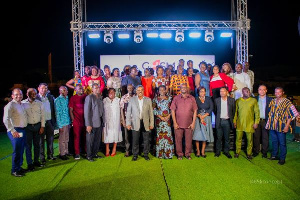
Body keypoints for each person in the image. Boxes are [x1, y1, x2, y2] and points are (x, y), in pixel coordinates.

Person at [266, 87, 299, 165]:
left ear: (282, 92)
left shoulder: (287, 102)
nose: (277, 93)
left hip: (281, 126)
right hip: (272, 125)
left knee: (282, 143)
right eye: (276, 92)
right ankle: (274, 155)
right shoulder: (273, 101)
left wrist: (287, 126)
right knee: (274, 141)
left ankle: (282, 159)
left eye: (279, 92)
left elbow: (292, 115)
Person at [3, 88, 28, 177]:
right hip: (15, 130)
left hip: (22, 130)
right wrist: (13, 131)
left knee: (21, 150)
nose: (19, 96)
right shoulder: (10, 105)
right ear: (12, 96)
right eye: (16, 94)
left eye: (20, 94)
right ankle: (14, 170)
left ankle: (19, 167)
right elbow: (5, 119)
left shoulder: (21, 104)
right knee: (17, 151)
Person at [126, 85, 154, 161]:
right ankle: (135, 155)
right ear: (136, 91)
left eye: (141, 90)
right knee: (135, 140)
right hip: (135, 123)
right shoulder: (132, 100)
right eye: (138, 90)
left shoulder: (148, 100)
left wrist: (151, 124)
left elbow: (151, 113)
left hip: (146, 123)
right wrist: (128, 123)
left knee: (146, 140)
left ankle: (146, 154)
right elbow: (128, 112)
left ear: (143, 90)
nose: (140, 91)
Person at [170, 83, 197, 160]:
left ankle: (188, 154)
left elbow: (195, 111)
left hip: (189, 123)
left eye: (185, 87)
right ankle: (179, 154)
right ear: (180, 89)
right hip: (178, 123)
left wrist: (193, 123)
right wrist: (174, 123)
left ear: (187, 89)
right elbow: (172, 110)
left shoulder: (192, 98)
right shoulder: (176, 98)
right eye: (182, 87)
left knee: (188, 140)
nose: (184, 88)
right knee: (178, 140)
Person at [233, 87, 260, 159]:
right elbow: (235, 112)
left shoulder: (253, 100)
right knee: (238, 139)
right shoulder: (238, 101)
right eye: (246, 91)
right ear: (242, 92)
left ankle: (249, 153)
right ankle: (237, 152)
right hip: (240, 123)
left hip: (250, 124)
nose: (248, 92)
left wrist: (256, 122)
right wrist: (234, 121)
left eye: (248, 91)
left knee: (250, 140)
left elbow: (257, 112)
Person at [22, 88, 45, 171]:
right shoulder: (23, 103)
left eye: (35, 93)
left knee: (37, 145)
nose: (34, 94)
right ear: (27, 94)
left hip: (38, 126)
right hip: (28, 127)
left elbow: (43, 115)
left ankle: (36, 161)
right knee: (28, 146)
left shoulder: (39, 103)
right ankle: (30, 164)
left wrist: (42, 126)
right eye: (32, 93)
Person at [84, 83, 105, 162]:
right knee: (90, 140)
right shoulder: (89, 97)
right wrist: (88, 124)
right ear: (92, 89)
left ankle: (95, 153)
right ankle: (89, 155)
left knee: (97, 139)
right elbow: (87, 112)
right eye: (95, 88)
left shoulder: (100, 97)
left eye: (98, 88)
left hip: (99, 122)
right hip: (92, 123)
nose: (97, 89)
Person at [36, 83, 56, 163]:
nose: (44, 90)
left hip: (49, 121)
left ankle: (50, 155)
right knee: (41, 141)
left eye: (46, 88)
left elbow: (53, 109)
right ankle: (42, 157)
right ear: (38, 89)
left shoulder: (50, 97)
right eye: (42, 88)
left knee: (50, 139)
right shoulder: (36, 98)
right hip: (41, 123)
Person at [153, 85, 174, 159]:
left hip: (167, 120)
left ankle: (168, 154)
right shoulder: (155, 99)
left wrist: (168, 116)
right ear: (158, 91)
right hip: (159, 121)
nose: (162, 91)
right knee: (160, 136)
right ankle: (160, 154)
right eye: (160, 90)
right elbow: (153, 109)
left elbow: (173, 109)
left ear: (165, 90)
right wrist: (160, 117)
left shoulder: (170, 99)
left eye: (163, 90)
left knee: (167, 136)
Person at [214, 87, 236, 158]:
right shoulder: (216, 100)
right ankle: (218, 152)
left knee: (227, 138)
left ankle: (226, 151)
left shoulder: (232, 100)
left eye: (223, 91)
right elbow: (215, 110)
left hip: (227, 121)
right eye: (221, 91)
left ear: (227, 92)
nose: (222, 93)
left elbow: (233, 111)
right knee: (218, 137)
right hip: (219, 121)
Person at [193, 87, 214, 158]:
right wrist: (200, 117)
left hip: (206, 118)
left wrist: (204, 116)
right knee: (197, 134)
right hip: (198, 118)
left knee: (205, 134)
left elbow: (211, 108)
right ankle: (198, 151)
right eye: (200, 91)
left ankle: (203, 151)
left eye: (203, 91)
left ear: (205, 92)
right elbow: (194, 108)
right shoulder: (195, 99)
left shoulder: (208, 98)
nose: (202, 93)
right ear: (198, 92)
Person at [252, 85, 272, 158]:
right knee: (256, 137)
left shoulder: (270, 100)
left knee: (265, 137)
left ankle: (264, 152)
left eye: (264, 89)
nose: (262, 91)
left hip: (266, 121)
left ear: (266, 90)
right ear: (258, 90)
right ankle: (256, 151)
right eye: (260, 89)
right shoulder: (254, 99)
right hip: (257, 121)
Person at [102, 88, 123, 157]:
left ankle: (114, 149)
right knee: (107, 134)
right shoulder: (104, 100)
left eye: (113, 92)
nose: (111, 93)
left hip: (116, 120)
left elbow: (121, 111)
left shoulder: (118, 100)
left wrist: (122, 120)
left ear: (115, 93)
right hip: (107, 120)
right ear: (108, 93)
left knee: (115, 133)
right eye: (110, 92)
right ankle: (107, 149)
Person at [69, 84, 87, 160]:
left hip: (85, 120)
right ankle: (77, 153)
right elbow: (71, 110)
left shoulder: (86, 96)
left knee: (85, 136)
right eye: (79, 89)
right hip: (77, 120)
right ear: (75, 90)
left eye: (82, 88)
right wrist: (73, 120)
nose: (81, 90)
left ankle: (85, 151)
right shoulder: (73, 98)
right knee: (77, 137)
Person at [55, 86, 71, 160]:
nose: (65, 92)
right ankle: (62, 153)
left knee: (67, 138)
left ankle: (66, 151)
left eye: (66, 90)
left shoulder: (67, 99)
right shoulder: (58, 100)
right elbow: (57, 113)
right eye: (63, 90)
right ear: (60, 91)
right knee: (62, 139)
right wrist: (60, 125)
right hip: (62, 122)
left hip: (67, 121)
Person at [120, 84, 135, 157]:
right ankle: (127, 150)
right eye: (128, 88)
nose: (130, 89)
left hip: (135, 120)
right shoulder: (124, 97)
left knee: (135, 136)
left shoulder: (136, 97)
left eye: (131, 88)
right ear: (127, 89)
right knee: (127, 136)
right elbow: (121, 109)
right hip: (127, 119)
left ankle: (134, 150)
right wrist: (123, 120)